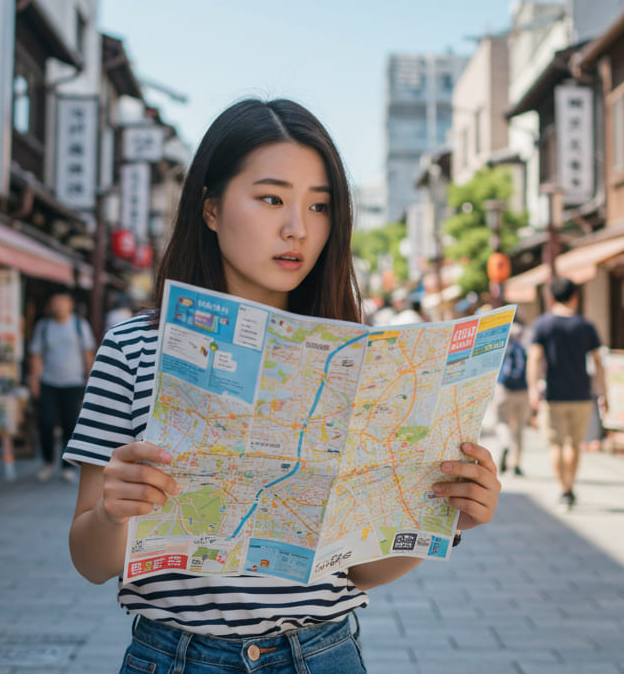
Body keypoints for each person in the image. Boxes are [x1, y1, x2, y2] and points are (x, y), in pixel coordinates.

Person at [63, 98, 500, 672]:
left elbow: (360, 571)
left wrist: (442, 520)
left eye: (319, 206)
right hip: (175, 657)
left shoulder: (361, 363)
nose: (298, 228)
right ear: (211, 208)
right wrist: (113, 514)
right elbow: (90, 561)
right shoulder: (134, 348)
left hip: (321, 653)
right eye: (272, 199)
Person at [527, 277, 607, 512]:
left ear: (551, 297)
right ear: (575, 296)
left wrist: (532, 388)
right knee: (574, 444)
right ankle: (570, 488)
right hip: (581, 393)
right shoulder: (585, 325)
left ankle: (563, 489)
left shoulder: (543, 324)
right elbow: (598, 362)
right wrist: (603, 392)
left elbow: (534, 358)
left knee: (556, 445)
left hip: (553, 394)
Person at [28, 291, 96, 482]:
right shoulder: (44, 327)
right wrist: (34, 380)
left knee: (70, 424)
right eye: (54, 302)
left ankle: (67, 466)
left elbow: (87, 354)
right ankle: (48, 461)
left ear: (70, 305)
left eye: (61, 302)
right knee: (46, 422)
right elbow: (36, 355)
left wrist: (91, 379)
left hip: (73, 382)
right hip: (49, 382)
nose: (57, 305)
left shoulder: (80, 325)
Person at [490, 321, 531, 476]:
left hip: (504, 389)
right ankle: (516, 463)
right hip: (523, 391)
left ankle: (505, 443)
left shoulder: (501, 348)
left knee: (502, 422)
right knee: (519, 427)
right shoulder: (524, 348)